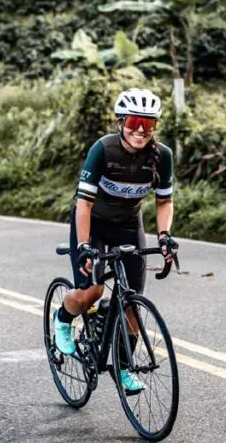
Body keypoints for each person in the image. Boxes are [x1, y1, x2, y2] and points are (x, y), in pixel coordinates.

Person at [52, 87, 178, 395]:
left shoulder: (162, 156)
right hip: (93, 223)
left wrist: (164, 235)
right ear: (120, 122)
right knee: (91, 291)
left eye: (148, 123)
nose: (141, 130)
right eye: (134, 121)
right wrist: (83, 247)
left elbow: (164, 201)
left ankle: (123, 369)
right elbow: (84, 204)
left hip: (128, 225)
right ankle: (63, 318)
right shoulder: (103, 150)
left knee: (131, 302)